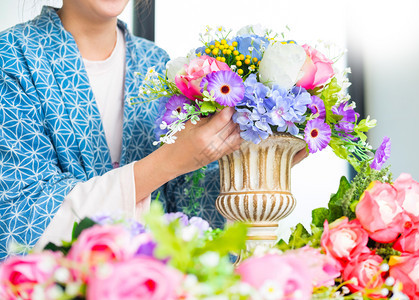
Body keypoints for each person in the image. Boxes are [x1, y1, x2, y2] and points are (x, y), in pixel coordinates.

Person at [0, 0, 307, 260]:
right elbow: (21, 217)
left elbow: (187, 203)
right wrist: (168, 162)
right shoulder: (12, 57)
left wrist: (251, 168)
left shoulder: (156, 64)